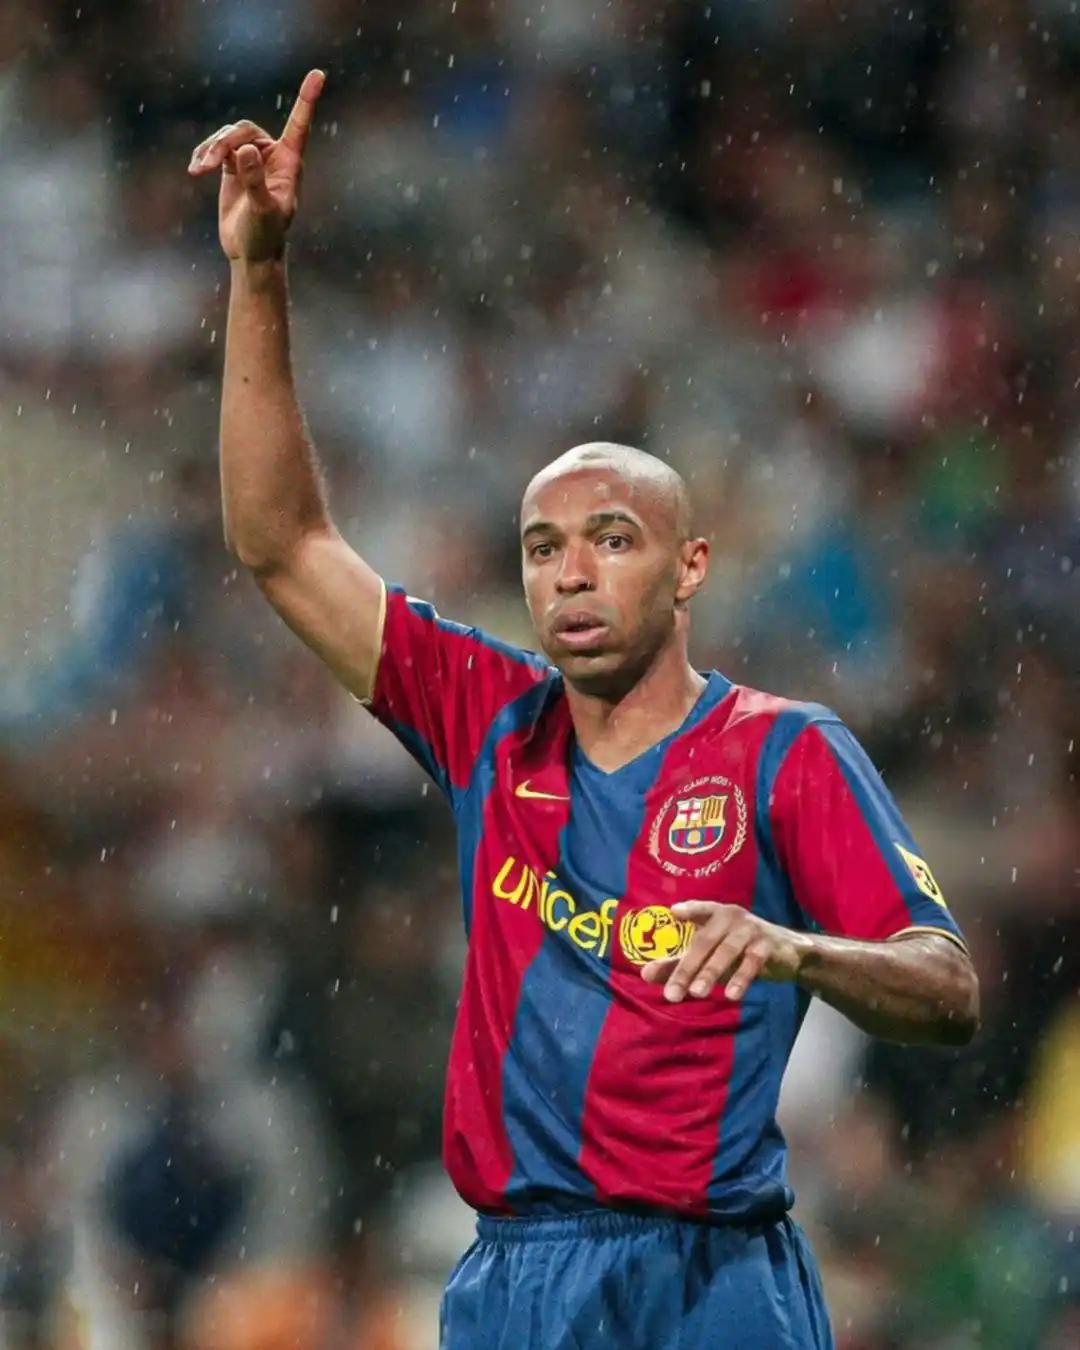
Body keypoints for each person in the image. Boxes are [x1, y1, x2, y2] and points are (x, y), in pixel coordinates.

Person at [188, 71, 981, 1350]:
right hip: (513, 1277)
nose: (571, 570)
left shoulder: (783, 753)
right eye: (543, 545)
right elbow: (280, 543)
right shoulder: (487, 718)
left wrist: (794, 951)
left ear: (689, 567)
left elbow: (948, 987)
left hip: (712, 1277)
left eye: (612, 539)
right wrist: (261, 269)